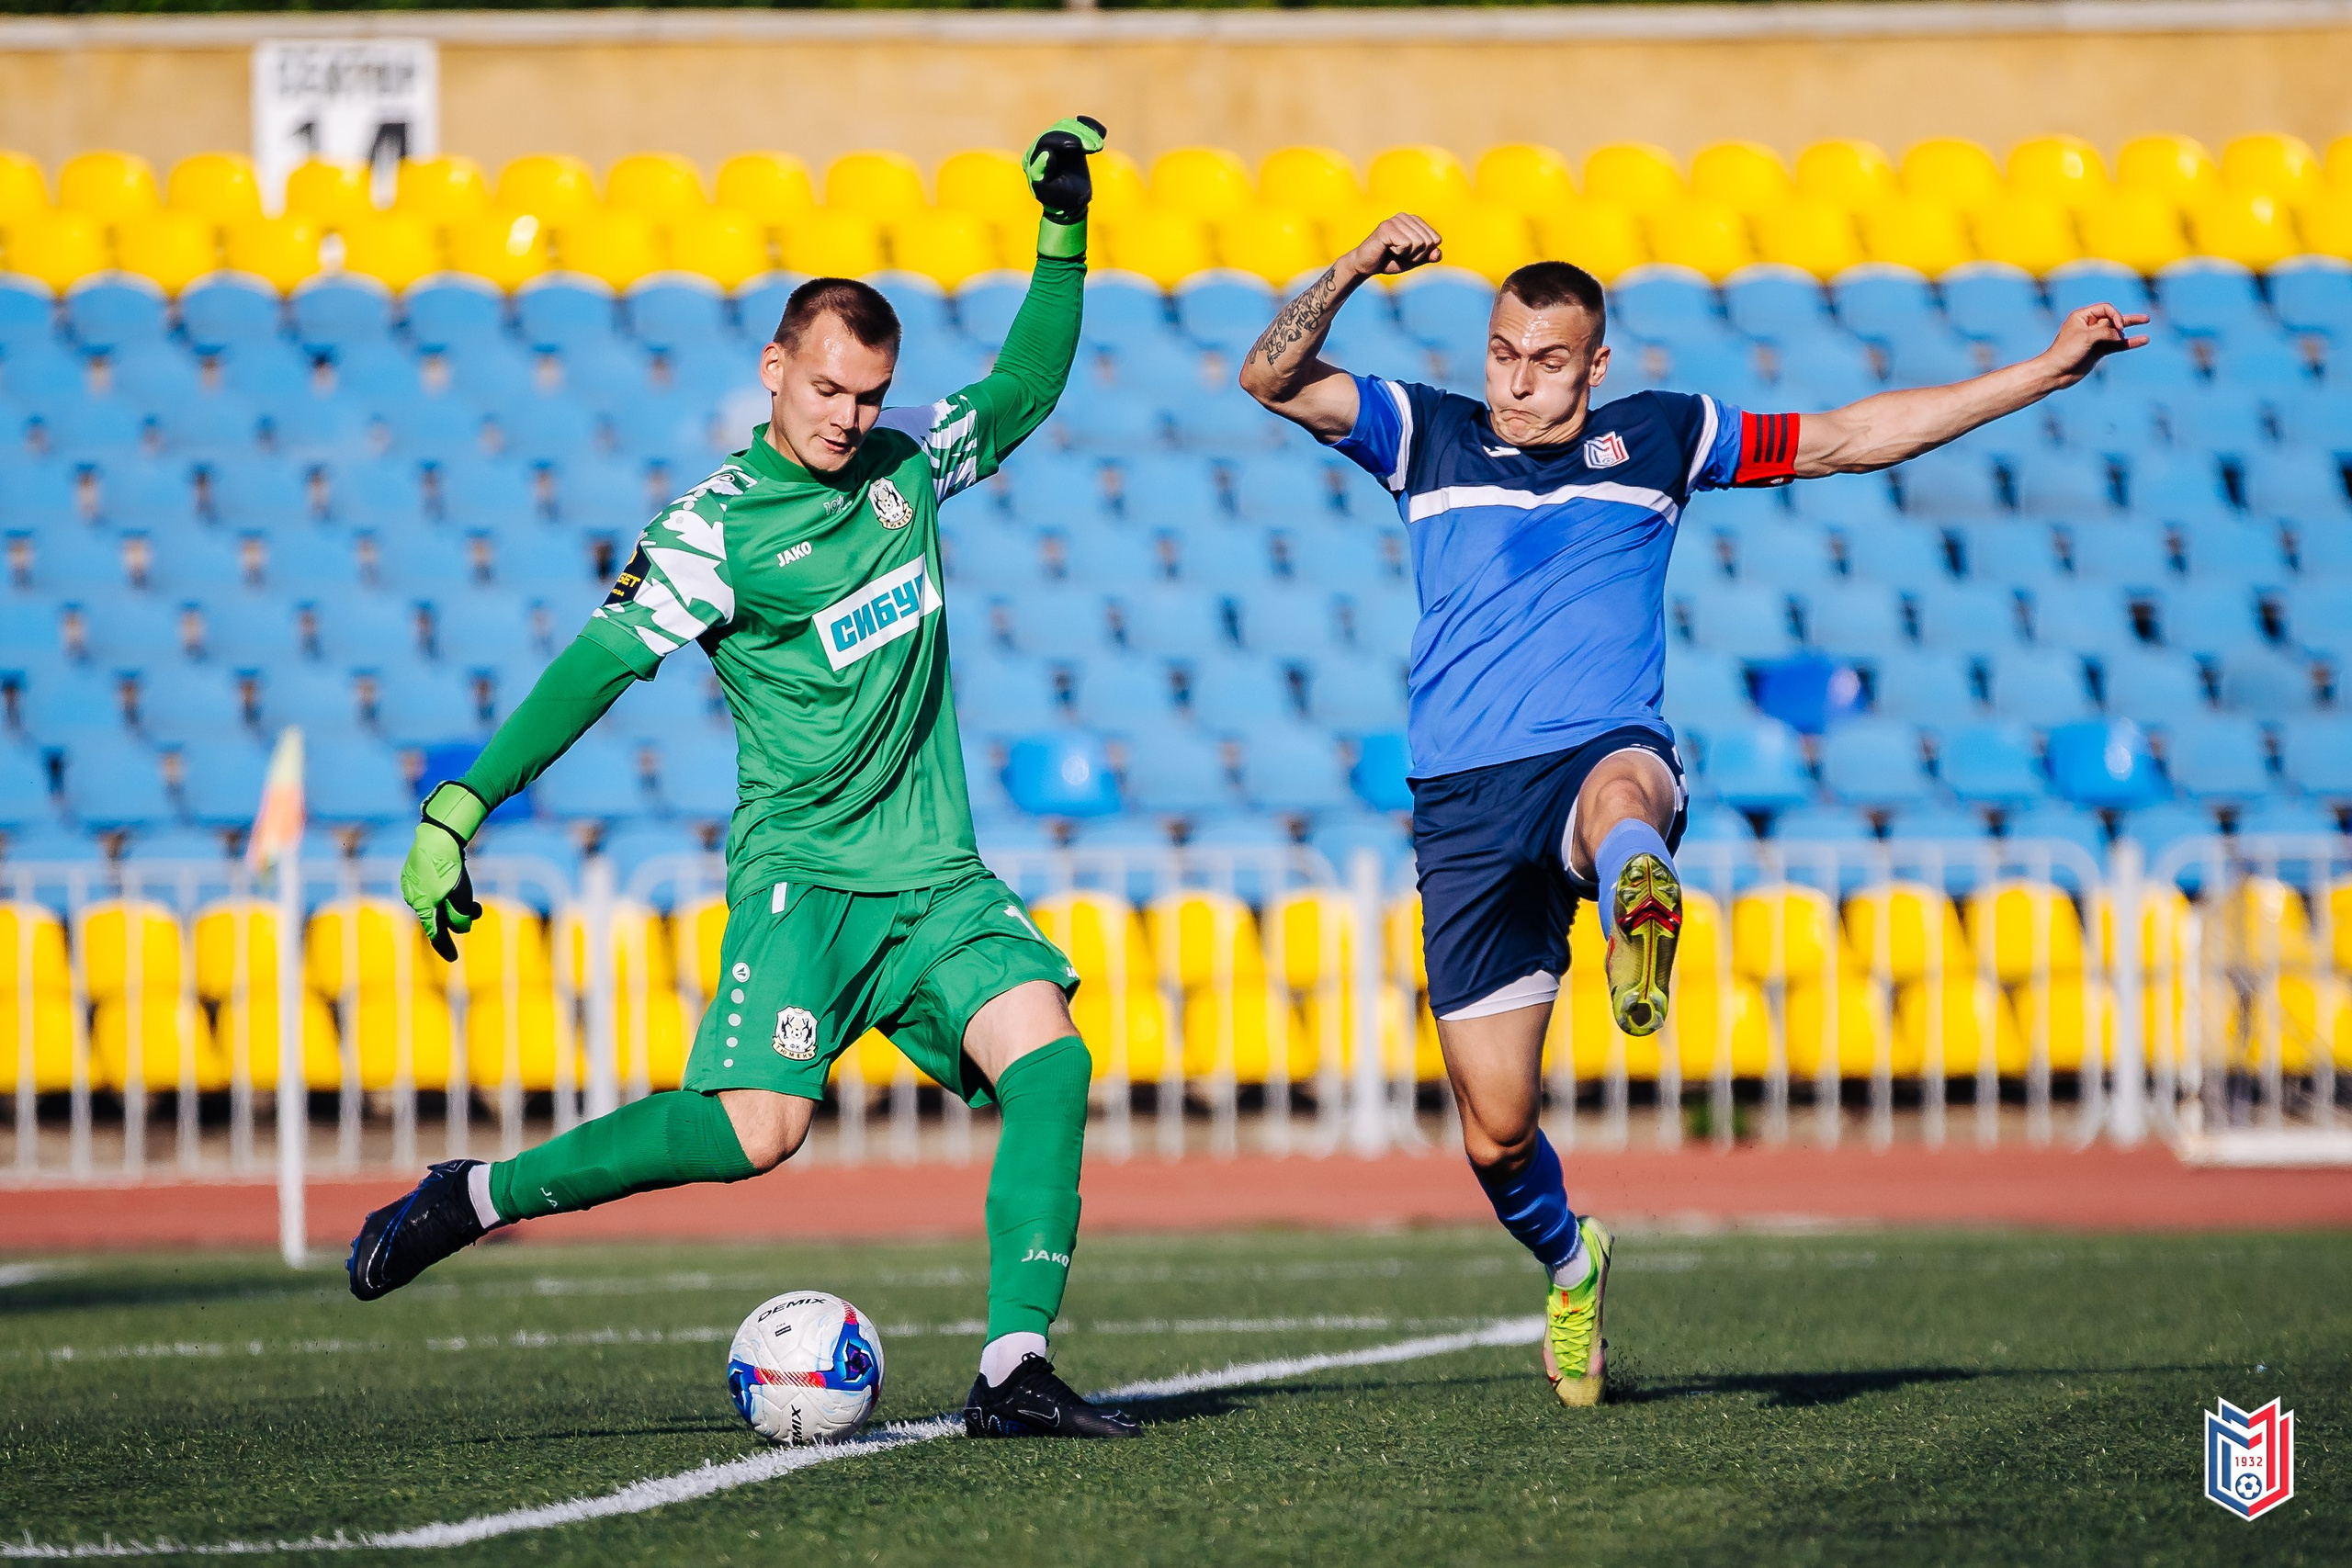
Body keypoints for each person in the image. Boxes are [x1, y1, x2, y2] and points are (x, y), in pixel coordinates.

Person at [1238, 214, 2145, 1407]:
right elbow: (1271, 376)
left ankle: (1637, 903)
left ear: (1596, 364)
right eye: (1504, 351)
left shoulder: (1660, 435)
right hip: (1462, 809)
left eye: (1548, 360)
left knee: (1625, 794)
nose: (1518, 380)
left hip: (1602, 755)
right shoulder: (1428, 434)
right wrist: (1355, 265)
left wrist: (2044, 368)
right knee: (1495, 1134)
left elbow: (1849, 437)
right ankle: (1573, 1262)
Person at [348, 117, 1144, 1441]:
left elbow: (1026, 386)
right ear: (775, 368)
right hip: (806, 882)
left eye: (869, 396)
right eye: (826, 389)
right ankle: (477, 1195)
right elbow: (595, 666)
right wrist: (458, 808)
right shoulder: (712, 530)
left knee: (1051, 1066)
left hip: (934, 873)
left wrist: (1062, 232)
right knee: (757, 1133)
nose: (849, 417)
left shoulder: (905, 473)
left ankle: (1014, 1369)